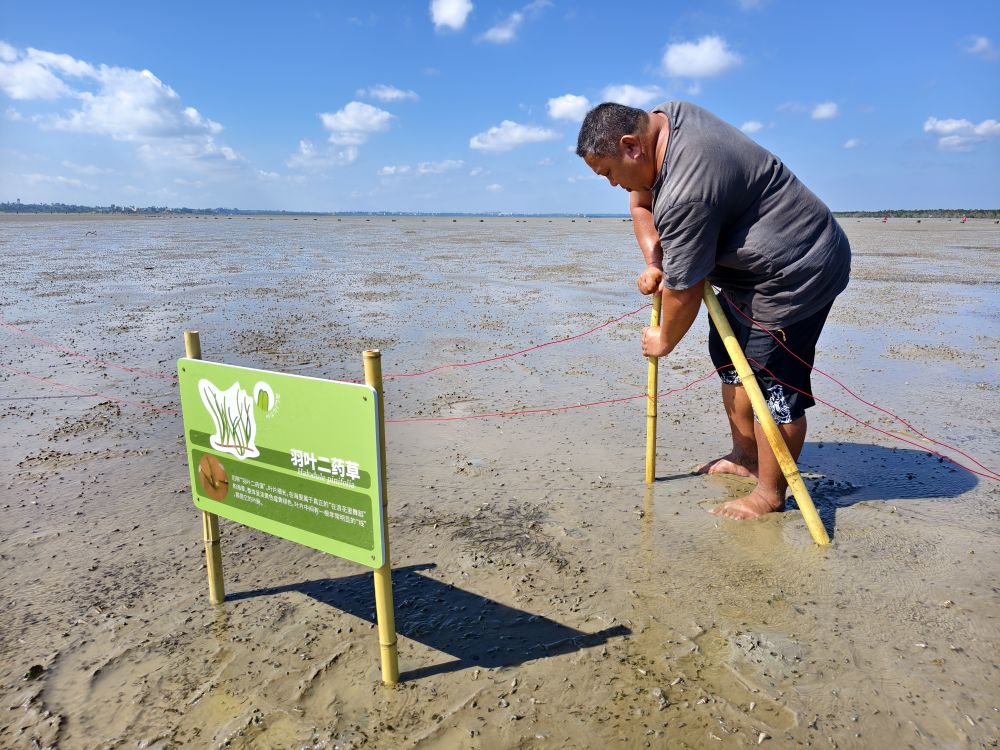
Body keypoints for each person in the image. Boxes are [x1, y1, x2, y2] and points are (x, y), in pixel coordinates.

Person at [576, 101, 851, 520]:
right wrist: (655, 262)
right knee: (729, 357)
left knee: (773, 386)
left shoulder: (687, 192)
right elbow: (640, 202)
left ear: (632, 146)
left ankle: (769, 494)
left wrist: (663, 340)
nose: (613, 185)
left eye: (608, 173)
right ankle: (746, 456)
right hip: (747, 273)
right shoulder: (665, 118)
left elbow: (685, 290)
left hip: (796, 271)